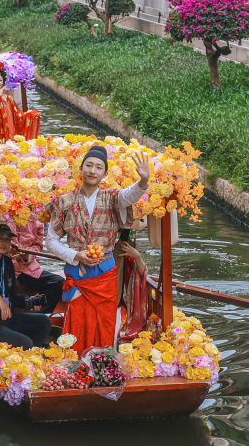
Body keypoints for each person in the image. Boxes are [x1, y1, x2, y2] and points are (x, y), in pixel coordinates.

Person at [44, 145, 151, 353]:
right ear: (81, 169)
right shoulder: (63, 202)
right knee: (77, 323)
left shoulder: (113, 198)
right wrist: (76, 255)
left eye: (98, 167)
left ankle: (103, 366)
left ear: (105, 173)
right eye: (89, 165)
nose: (93, 170)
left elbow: (130, 195)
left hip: (105, 275)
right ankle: (76, 367)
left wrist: (144, 181)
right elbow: (51, 240)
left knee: (105, 323)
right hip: (78, 274)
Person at [9, 219, 65, 314]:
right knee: (13, 287)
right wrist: (8, 249)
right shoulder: (1, 215)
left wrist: (28, 253)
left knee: (59, 282)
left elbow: (37, 246)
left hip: (29, 269)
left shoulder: (38, 219)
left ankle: (37, 312)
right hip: (7, 268)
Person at [0, 62, 40, 142]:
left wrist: (32, 115)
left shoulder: (9, 98)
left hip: (8, 134)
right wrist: (0, 96)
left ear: (3, 82)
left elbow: (18, 116)